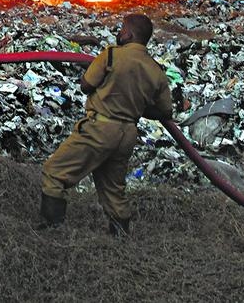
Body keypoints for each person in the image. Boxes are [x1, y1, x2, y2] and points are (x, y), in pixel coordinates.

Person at [38, 13, 174, 235]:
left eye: (122, 29)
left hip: (99, 129)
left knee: (55, 173)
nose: (119, 32)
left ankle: (51, 233)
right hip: (127, 134)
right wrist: (135, 104)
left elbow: (86, 85)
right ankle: (121, 239)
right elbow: (165, 111)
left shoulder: (111, 55)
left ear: (129, 34)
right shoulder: (155, 69)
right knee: (113, 191)